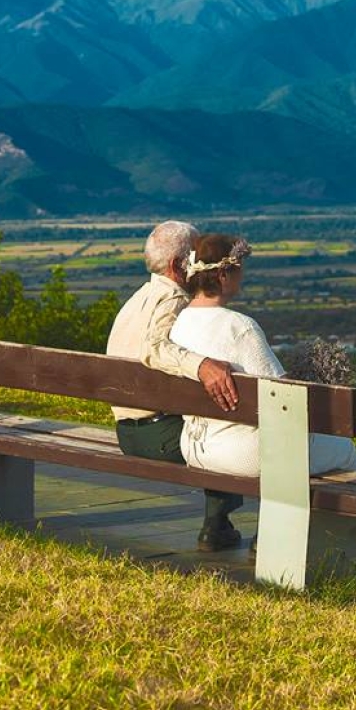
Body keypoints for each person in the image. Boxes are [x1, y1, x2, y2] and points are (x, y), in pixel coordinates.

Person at [170, 233, 356, 478]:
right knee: (343, 448)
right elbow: (283, 397)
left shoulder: (180, 322)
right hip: (244, 453)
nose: (242, 275)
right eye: (239, 269)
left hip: (194, 447)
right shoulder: (240, 327)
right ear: (223, 275)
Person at [106, 220, 244, 551]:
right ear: (176, 265)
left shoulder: (138, 299)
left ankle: (220, 523)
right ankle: (216, 525)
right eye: (195, 255)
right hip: (158, 437)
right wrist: (202, 366)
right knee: (224, 437)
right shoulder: (175, 302)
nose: (201, 262)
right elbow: (154, 348)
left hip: (127, 433)